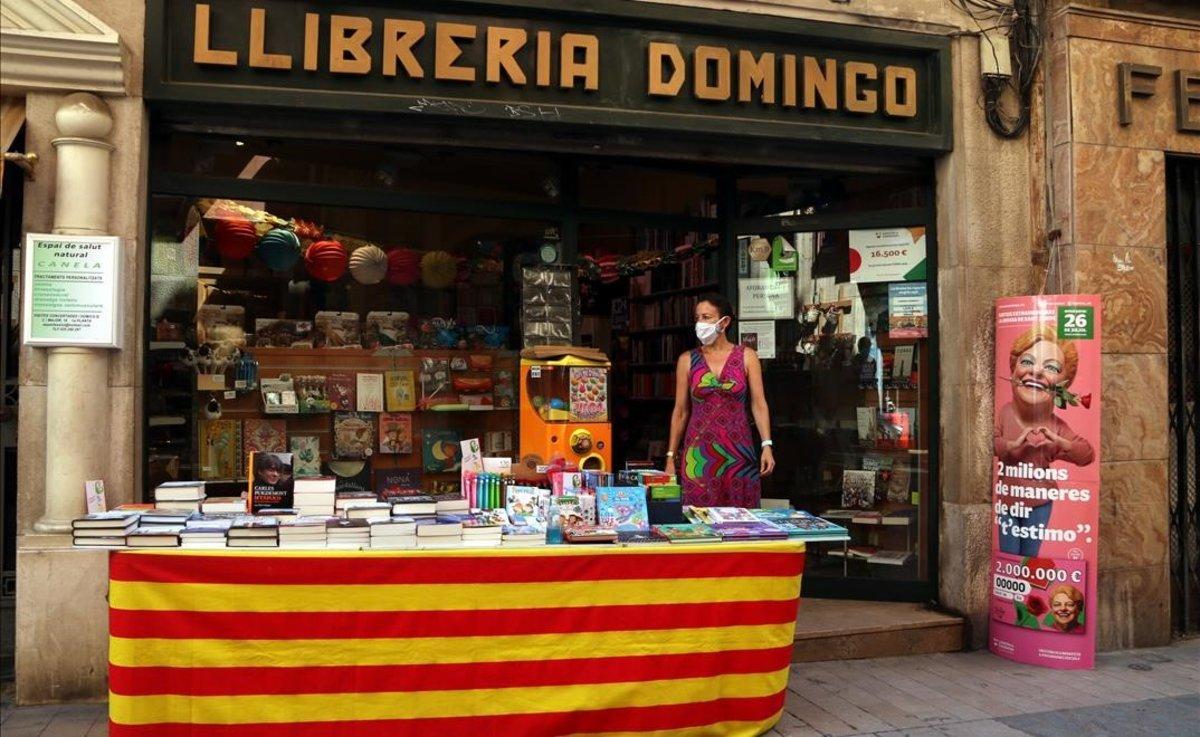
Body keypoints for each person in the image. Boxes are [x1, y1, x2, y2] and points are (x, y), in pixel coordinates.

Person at [665, 294, 774, 507]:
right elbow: (680, 411)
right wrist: (670, 456)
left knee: (743, 518)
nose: (700, 323)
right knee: (697, 517)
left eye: (706, 317)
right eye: (697, 318)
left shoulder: (747, 356)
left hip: (739, 451)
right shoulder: (687, 360)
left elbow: (759, 404)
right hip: (699, 453)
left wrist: (766, 444)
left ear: (724, 322)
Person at [994, 325, 1094, 556]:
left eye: (1051, 367)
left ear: (1063, 385)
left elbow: (1086, 454)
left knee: (1029, 558)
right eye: (1027, 362)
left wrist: (1059, 441)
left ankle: (1029, 591)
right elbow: (991, 443)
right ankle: (1012, 591)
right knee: (1009, 556)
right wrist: (1012, 445)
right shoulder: (1003, 412)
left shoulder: (1056, 425)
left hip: (1040, 503)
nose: (1036, 372)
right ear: (1013, 369)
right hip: (1008, 502)